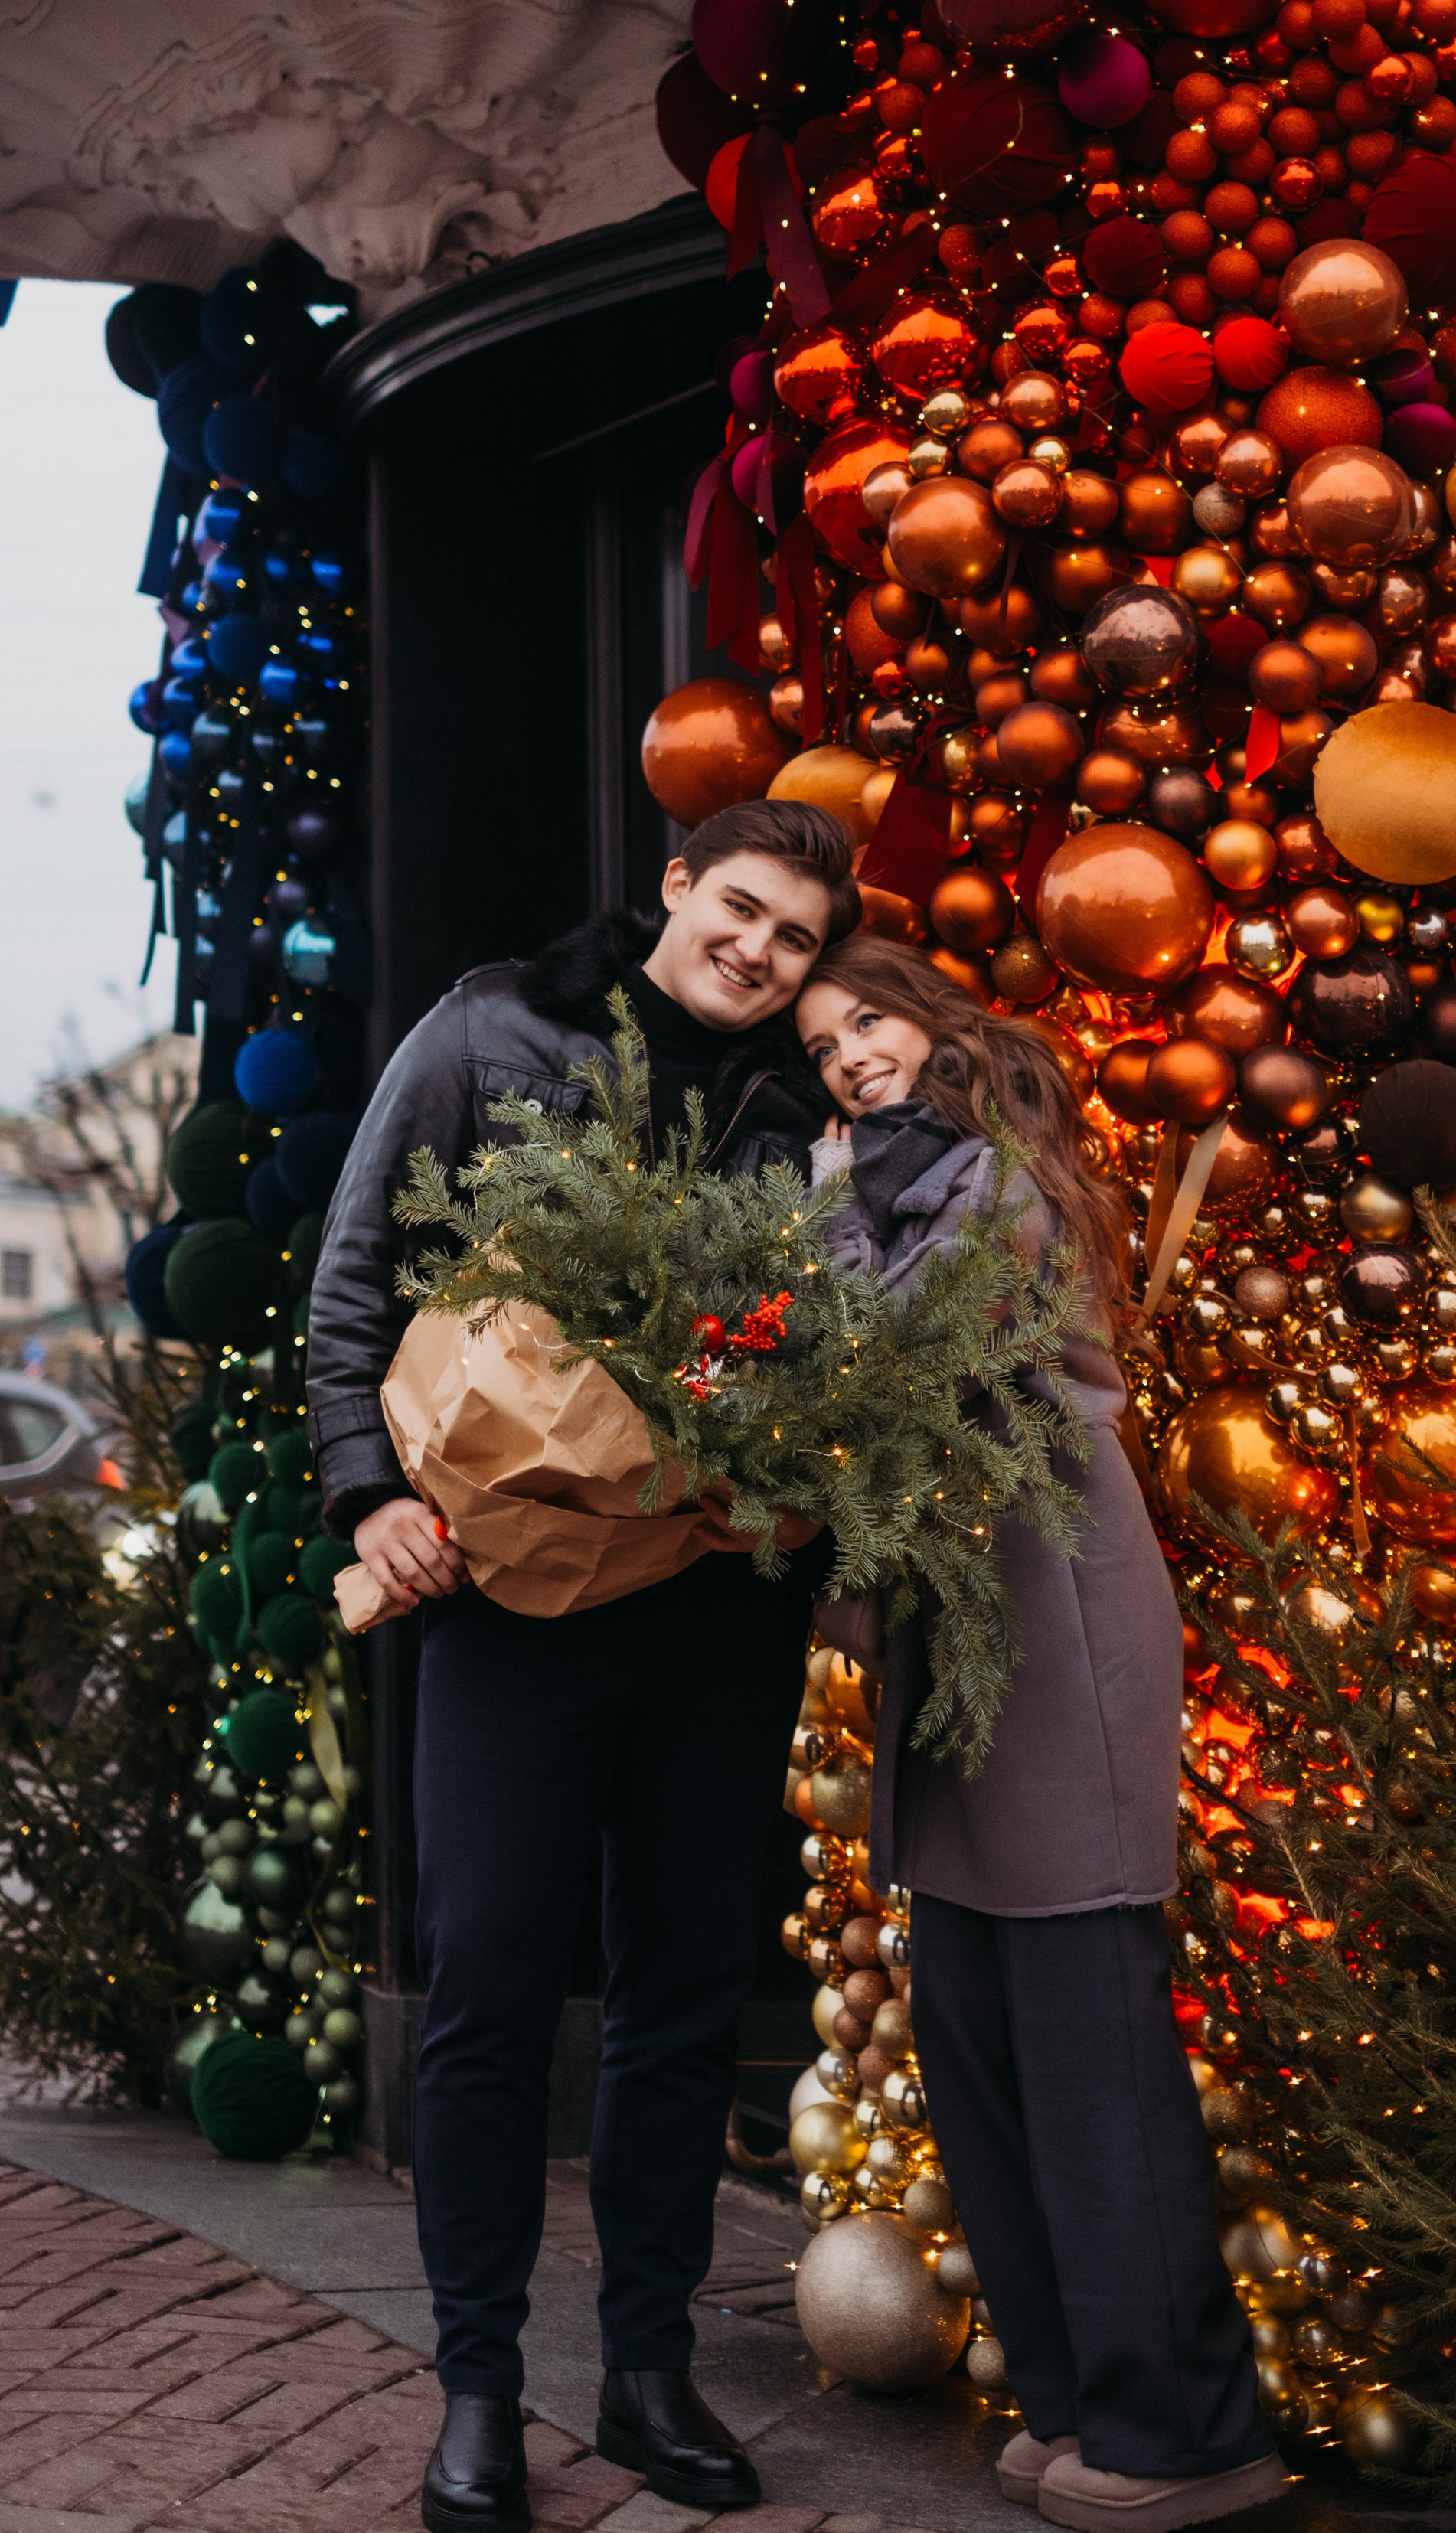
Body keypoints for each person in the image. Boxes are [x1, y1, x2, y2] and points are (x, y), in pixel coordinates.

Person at [308, 801, 858, 2533]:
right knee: (482, 1997)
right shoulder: (494, 1030)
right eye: (741, 910)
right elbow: (352, 1285)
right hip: (506, 1600)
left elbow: (854, 1350)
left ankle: (641, 2373)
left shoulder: (807, 1109)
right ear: (677, 889)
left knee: (684, 1998)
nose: (758, 954)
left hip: (715, 1608)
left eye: (795, 941)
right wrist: (366, 1497)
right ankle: (476, 2389)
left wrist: (806, 1506)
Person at [795, 935, 1285, 2533]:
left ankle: (1185, 2429)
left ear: (930, 1021)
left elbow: (892, 1362)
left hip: (1054, 1627)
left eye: (864, 1020)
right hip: (959, 1645)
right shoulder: (891, 1178)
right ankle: (1079, 2394)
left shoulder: (990, 1172)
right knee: (982, 2034)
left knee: (1085, 2041)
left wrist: (815, 1211)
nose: (847, 1056)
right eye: (818, 1046)